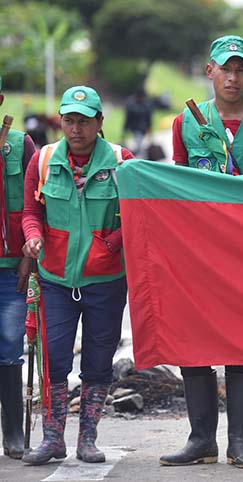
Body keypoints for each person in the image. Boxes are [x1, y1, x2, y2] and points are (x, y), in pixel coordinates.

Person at [160, 34, 243, 469]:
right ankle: (201, 439)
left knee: (240, 342)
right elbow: (177, 186)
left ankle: (239, 442)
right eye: (225, 69)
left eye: (240, 70)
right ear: (209, 71)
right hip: (198, 252)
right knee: (193, 340)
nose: (232, 77)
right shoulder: (187, 123)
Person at [20, 85, 134, 465]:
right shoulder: (43, 159)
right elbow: (30, 212)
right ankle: (52, 438)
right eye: (69, 120)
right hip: (54, 278)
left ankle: (88, 438)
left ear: (100, 122)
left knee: (99, 361)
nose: (76, 129)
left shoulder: (122, 161)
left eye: (84, 121)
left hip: (106, 281)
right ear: (61, 122)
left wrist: (110, 242)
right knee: (52, 356)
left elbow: (139, 213)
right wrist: (33, 238)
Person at [0, 75, 36, 460]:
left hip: (11, 268)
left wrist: (29, 253)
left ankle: (11, 432)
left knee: (9, 347)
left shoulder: (19, 144)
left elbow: (33, 203)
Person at [122, 88, 153, 158]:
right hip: (135, 127)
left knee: (139, 144)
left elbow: (149, 117)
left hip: (141, 128)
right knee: (138, 144)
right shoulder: (133, 104)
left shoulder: (145, 104)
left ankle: (139, 157)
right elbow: (128, 117)